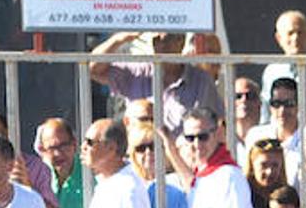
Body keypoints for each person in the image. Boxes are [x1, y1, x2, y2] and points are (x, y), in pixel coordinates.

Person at [89, 30, 224, 139]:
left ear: (181, 42)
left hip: (183, 161)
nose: (158, 46)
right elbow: (93, 69)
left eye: (164, 40)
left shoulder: (200, 80)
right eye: (155, 40)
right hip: (140, 158)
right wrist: (119, 39)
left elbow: (217, 123)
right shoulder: (138, 71)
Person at [244, 77, 303, 182]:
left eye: (289, 104)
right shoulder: (255, 136)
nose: (282, 110)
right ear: (270, 105)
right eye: (276, 103)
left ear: (299, 106)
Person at [232, 76, 264, 160]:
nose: (244, 100)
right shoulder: (222, 140)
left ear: (260, 103)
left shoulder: (269, 135)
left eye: (250, 96)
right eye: (238, 96)